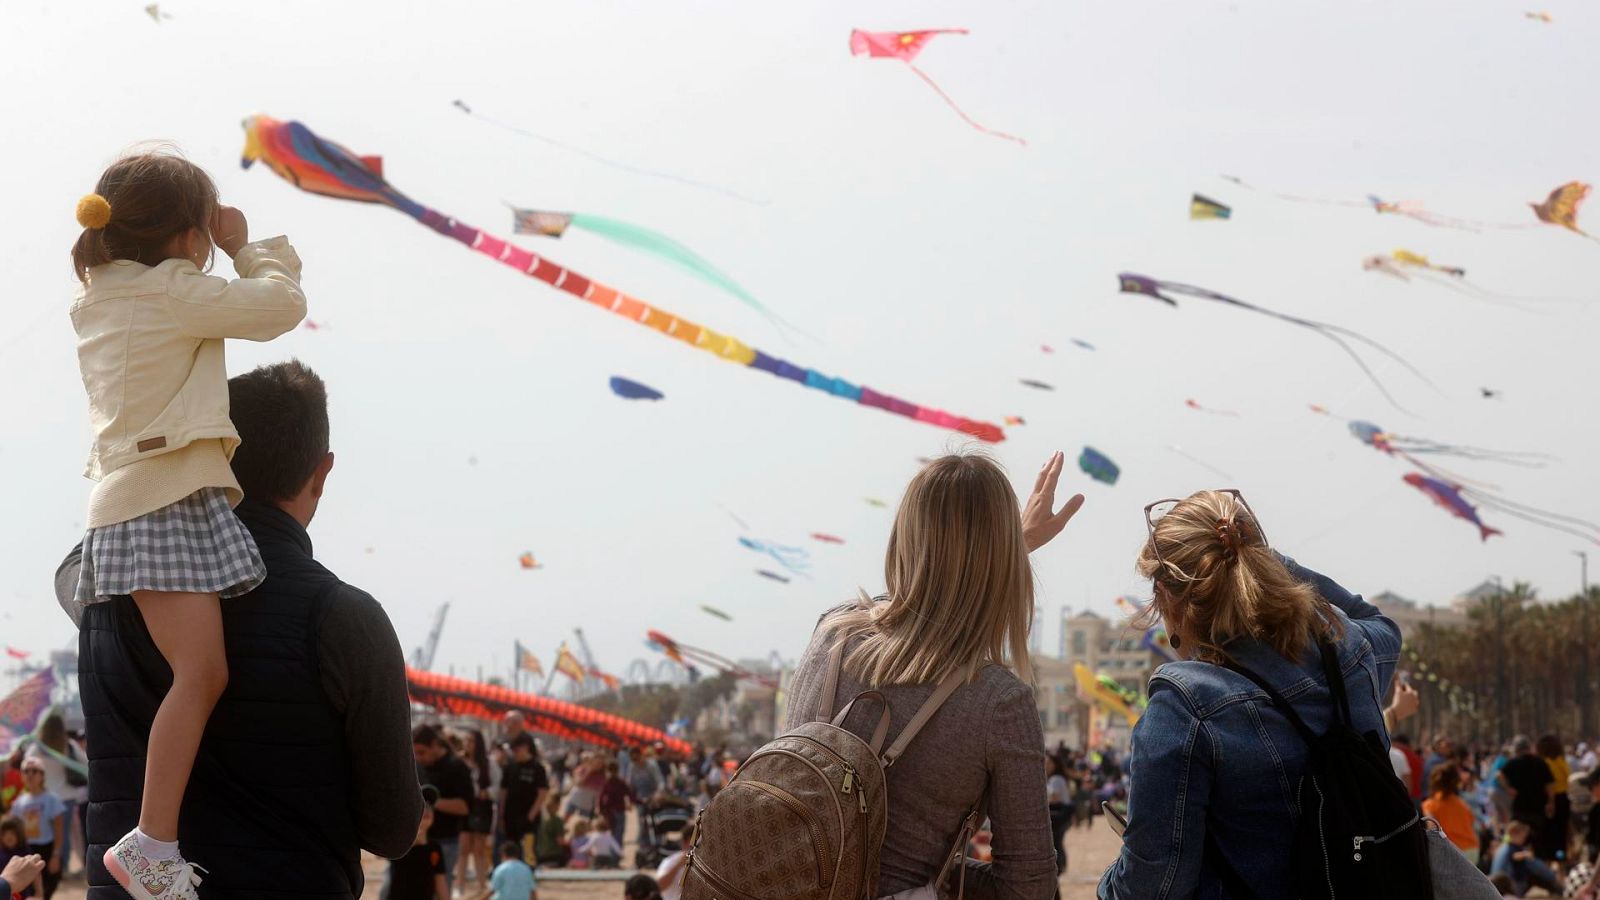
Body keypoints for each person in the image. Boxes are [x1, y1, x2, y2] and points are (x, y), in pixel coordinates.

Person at [58, 360, 423, 899]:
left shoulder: (103, 591)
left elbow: (78, 559)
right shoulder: (345, 617)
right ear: (321, 473)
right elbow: (392, 830)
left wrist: (172, 463)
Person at [67, 149, 307, 899]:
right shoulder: (172, 291)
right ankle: (150, 845)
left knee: (192, 672)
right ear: (184, 232)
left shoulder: (101, 297)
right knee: (202, 674)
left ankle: (154, 842)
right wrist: (245, 247)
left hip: (133, 496)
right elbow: (279, 309)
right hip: (162, 496)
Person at [783, 451, 1082, 899]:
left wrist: (1006, 549)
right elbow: (1029, 885)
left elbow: (914, 608)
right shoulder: (996, 702)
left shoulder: (831, 634)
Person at [1098, 489, 1402, 898]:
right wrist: (1280, 566)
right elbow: (1380, 624)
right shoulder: (1348, 651)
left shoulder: (1185, 708)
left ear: (1169, 598)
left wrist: (1107, 887)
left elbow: (1155, 886)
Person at [21, 715, 86, 879]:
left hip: (45, 797)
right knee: (63, 835)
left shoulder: (37, 747)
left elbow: (26, 763)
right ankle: (62, 867)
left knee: (46, 834)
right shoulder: (68, 745)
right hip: (66, 796)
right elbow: (84, 763)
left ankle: (45, 866)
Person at [413, 724, 475, 891]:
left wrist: (431, 800)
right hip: (417, 841)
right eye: (415, 753)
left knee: (440, 889)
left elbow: (465, 807)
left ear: (434, 745)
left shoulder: (456, 767)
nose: (419, 757)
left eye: (422, 752)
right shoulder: (417, 766)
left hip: (445, 842)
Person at [11, 761, 65, 899]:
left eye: (34, 771)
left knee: (49, 885)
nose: (30, 774)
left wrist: (56, 855)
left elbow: (58, 828)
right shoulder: (18, 802)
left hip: (46, 848)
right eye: (26, 771)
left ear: (42, 775)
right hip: (26, 849)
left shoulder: (52, 799)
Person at [457, 729, 496, 893]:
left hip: (482, 807)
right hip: (464, 807)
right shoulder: (459, 762)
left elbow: (497, 786)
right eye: (466, 740)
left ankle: (481, 885)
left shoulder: (488, 763)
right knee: (463, 848)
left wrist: (487, 792)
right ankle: (460, 885)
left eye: (471, 740)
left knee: (479, 848)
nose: (468, 744)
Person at [384, 804, 448, 900]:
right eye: (422, 806)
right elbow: (381, 853)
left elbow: (440, 883)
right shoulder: (400, 843)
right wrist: (412, 839)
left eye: (430, 807)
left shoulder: (435, 848)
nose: (427, 810)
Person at [500, 734, 550, 857]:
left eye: (517, 750)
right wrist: (501, 814)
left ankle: (528, 873)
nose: (515, 753)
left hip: (528, 818)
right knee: (511, 850)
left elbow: (542, 793)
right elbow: (503, 792)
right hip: (510, 816)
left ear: (525, 747)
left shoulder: (538, 768)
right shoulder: (510, 767)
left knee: (528, 852)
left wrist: (531, 816)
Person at [1423, 763, 1481, 864]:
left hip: (1453, 852)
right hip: (1472, 849)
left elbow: (1432, 831)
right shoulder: (1461, 803)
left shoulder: (1430, 804)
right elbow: (1472, 824)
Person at [1500, 735, 1555, 840]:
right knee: (1537, 839)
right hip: (1537, 807)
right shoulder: (1541, 762)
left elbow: (1499, 775)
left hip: (1519, 807)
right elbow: (1549, 785)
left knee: (1516, 839)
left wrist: (1508, 788)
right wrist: (1551, 802)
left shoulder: (1512, 763)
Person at [1490, 820, 1562, 896]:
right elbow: (1516, 857)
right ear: (1514, 835)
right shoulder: (1512, 848)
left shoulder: (1503, 848)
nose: (1524, 840)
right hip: (1514, 883)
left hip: (1504, 884)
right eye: (1522, 837)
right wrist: (1525, 855)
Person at [1537, 733, 1572, 863]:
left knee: (1548, 832)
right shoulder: (1561, 760)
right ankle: (1561, 861)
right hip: (1563, 798)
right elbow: (1568, 776)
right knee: (1561, 833)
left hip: (1549, 800)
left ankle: (1549, 860)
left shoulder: (1544, 763)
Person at [1, 816, 43, 898]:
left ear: (19, 834)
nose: (8, 837)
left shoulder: (25, 852)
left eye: (12, 833)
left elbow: (36, 873)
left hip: (23, 894)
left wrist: (39, 893)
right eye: (5, 834)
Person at [1045, 753, 1072, 876]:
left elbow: (1054, 797)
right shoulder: (1056, 778)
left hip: (1060, 812)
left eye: (1049, 763)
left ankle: (1059, 866)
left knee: (1056, 841)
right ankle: (1060, 865)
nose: (1046, 765)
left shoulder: (1055, 779)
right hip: (1063, 812)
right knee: (1058, 841)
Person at [652, 822, 694, 900]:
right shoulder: (671, 861)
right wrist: (678, 865)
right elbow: (658, 887)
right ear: (685, 842)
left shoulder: (707, 865)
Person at [597, 762, 630, 848]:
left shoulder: (607, 783)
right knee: (619, 833)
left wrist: (601, 810)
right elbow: (629, 794)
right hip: (618, 811)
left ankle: (612, 852)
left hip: (610, 812)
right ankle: (616, 852)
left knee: (612, 832)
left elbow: (601, 798)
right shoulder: (620, 782)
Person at [532, 795, 568, 867]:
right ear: (558, 804)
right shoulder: (556, 820)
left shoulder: (540, 819)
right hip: (554, 856)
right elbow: (560, 841)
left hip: (540, 856)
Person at [1393, 732, 1425, 804]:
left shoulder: (1400, 755)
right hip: (1417, 796)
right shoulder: (1416, 757)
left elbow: (1407, 780)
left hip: (1406, 797)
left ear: (1398, 743)